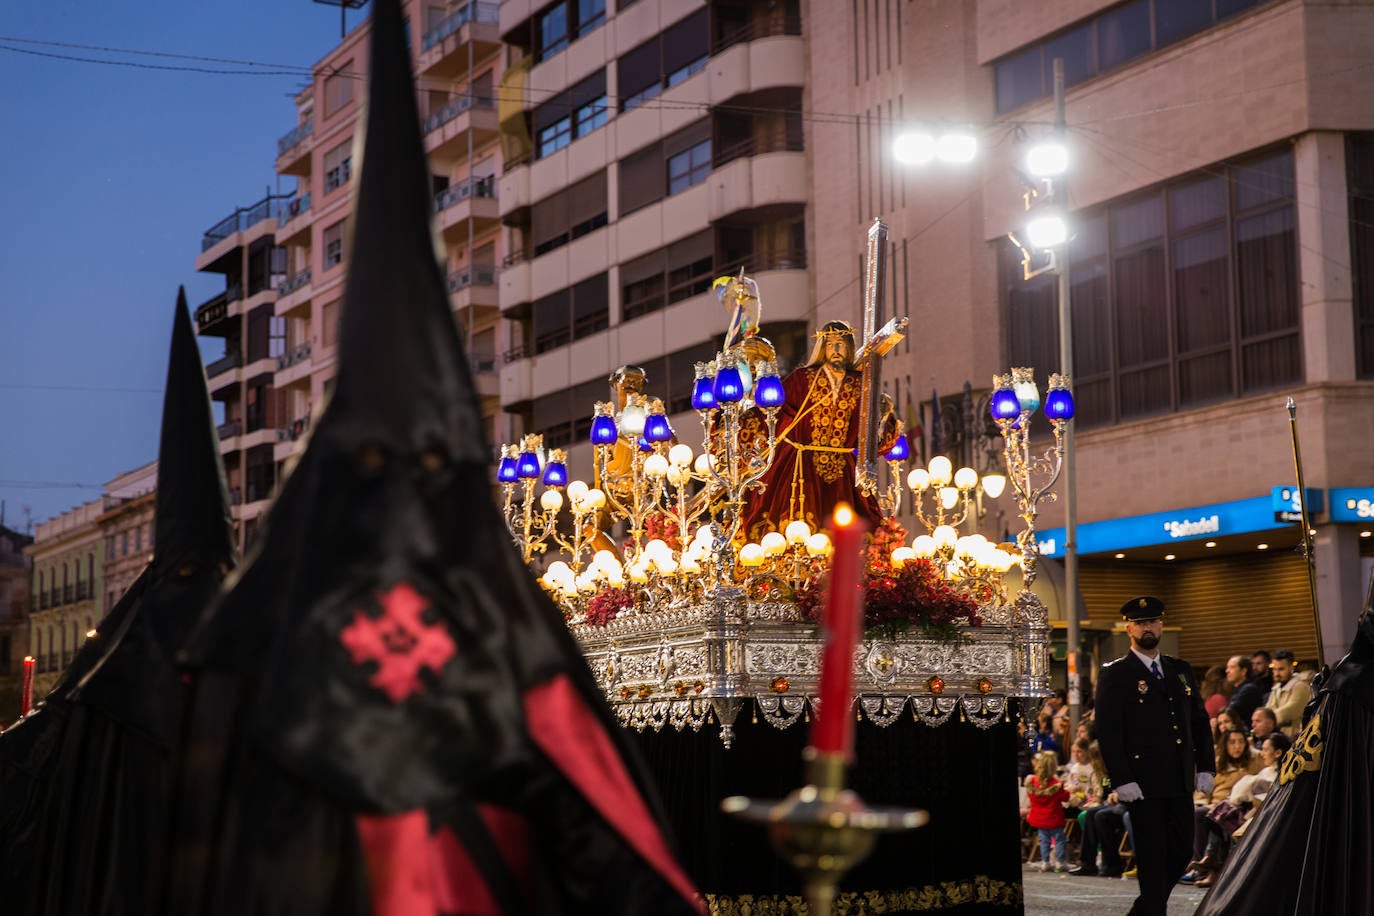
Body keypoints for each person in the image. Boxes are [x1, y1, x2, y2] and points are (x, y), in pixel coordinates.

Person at [1093, 596, 1214, 916]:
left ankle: (1143, 911)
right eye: (1141, 623)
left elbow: (1199, 722)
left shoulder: (1180, 669)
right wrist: (1121, 779)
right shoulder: (1116, 674)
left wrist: (1206, 767)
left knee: (1180, 850)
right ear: (1128, 628)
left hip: (1178, 777)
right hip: (1142, 782)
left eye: (1153, 621)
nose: (1148, 628)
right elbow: (1108, 732)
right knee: (1151, 856)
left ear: (1161, 625)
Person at [738, 320, 893, 540]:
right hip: (801, 467)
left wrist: (884, 415)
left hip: (842, 472)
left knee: (856, 530)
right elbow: (773, 412)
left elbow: (872, 438)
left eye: (841, 344)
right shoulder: (802, 378)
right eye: (830, 344)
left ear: (849, 347)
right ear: (822, 348)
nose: (836, 350)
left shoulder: (861, 384)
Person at [1182, 728, 1260, 887]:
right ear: (1225, 745)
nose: (1237, 746)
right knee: (1202, 813)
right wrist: (1207, 804)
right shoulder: (1217, 764)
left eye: (1241, 742)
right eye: (1232, 742)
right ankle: (1202, 864)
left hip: (1237, 806)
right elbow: (1203, 793)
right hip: (1213, 805)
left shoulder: (1254, 763)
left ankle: (1209, 865)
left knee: (1221, 816)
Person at [1025, 750, 1071, 871]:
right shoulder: (1056, 784)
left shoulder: (1032, 782)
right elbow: (1066, 797)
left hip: (1039, 819)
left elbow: (1031, 797)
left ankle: (1045, 861)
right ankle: (1060, 862)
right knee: (1060, 840)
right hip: (1054, 818)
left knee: (1044, 840)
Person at [1264, 648, 1311, 736]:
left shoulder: (1301, 687)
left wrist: (1265, 721)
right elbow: (1267, 710)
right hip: (1279, 737)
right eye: (1274, 669)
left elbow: (1286, 713)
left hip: (1295, 738)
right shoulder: (1276, 688)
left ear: (1291, 667)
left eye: (1281, 669)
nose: (1277, 673)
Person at [1224, 655, 1264, 723]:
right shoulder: (1239, 689)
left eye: (1232, 667)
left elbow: (1232, 712)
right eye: (1227, 667)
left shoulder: (1249, 689)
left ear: (1243, 671)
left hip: (1249, 733)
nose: (1227, 671)